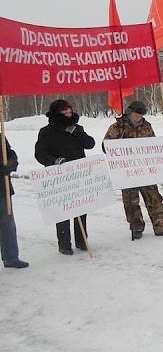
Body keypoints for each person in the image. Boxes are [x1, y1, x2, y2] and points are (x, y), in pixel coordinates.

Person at [104, 101, 163, 240]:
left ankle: (161, 226)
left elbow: (154, 146)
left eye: (141, 115)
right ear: (129, 112)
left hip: (146, 170)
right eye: (137, 115)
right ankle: (136, 226)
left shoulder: (147, 126)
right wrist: (119, 144)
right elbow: (105, 147)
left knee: (154, 197)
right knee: (131, 201)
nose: (139, 118)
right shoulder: (117, 127)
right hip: (127, 171)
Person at [35, 100, 95, 255]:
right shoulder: (46, 132)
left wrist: (77, 133)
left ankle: (82, 240)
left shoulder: (77, 128)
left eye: (70, 111)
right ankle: (64, 243)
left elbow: (90, 144)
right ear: (57, 114)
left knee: (81, 207)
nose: (69, 114)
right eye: (65, 113)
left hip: (79, 174)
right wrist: (54, 161)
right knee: (62, 210)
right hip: (59, 176)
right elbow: (40, 153)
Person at [0, 137, 28, 269]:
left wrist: (11, 163)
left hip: (2, 188)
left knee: (7, 225)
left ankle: (11, 257)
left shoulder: (0, 136)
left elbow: (10, 153)